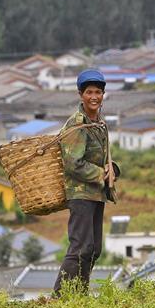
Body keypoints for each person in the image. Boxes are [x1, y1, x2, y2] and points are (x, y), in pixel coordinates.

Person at [53, 70, 120, 296]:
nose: (94, 96)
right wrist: (101, 174)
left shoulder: (98, 123)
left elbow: (99, 157)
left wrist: (113, 169)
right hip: (80, 194)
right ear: (80, 94)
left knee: (93, 249)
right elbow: (72, 162)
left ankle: (78, 296)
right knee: (80, 247)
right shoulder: (77, 124)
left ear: (103, 94)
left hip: (95, 193)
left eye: (98, 92)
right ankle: (60, 296)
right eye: (89, 92)